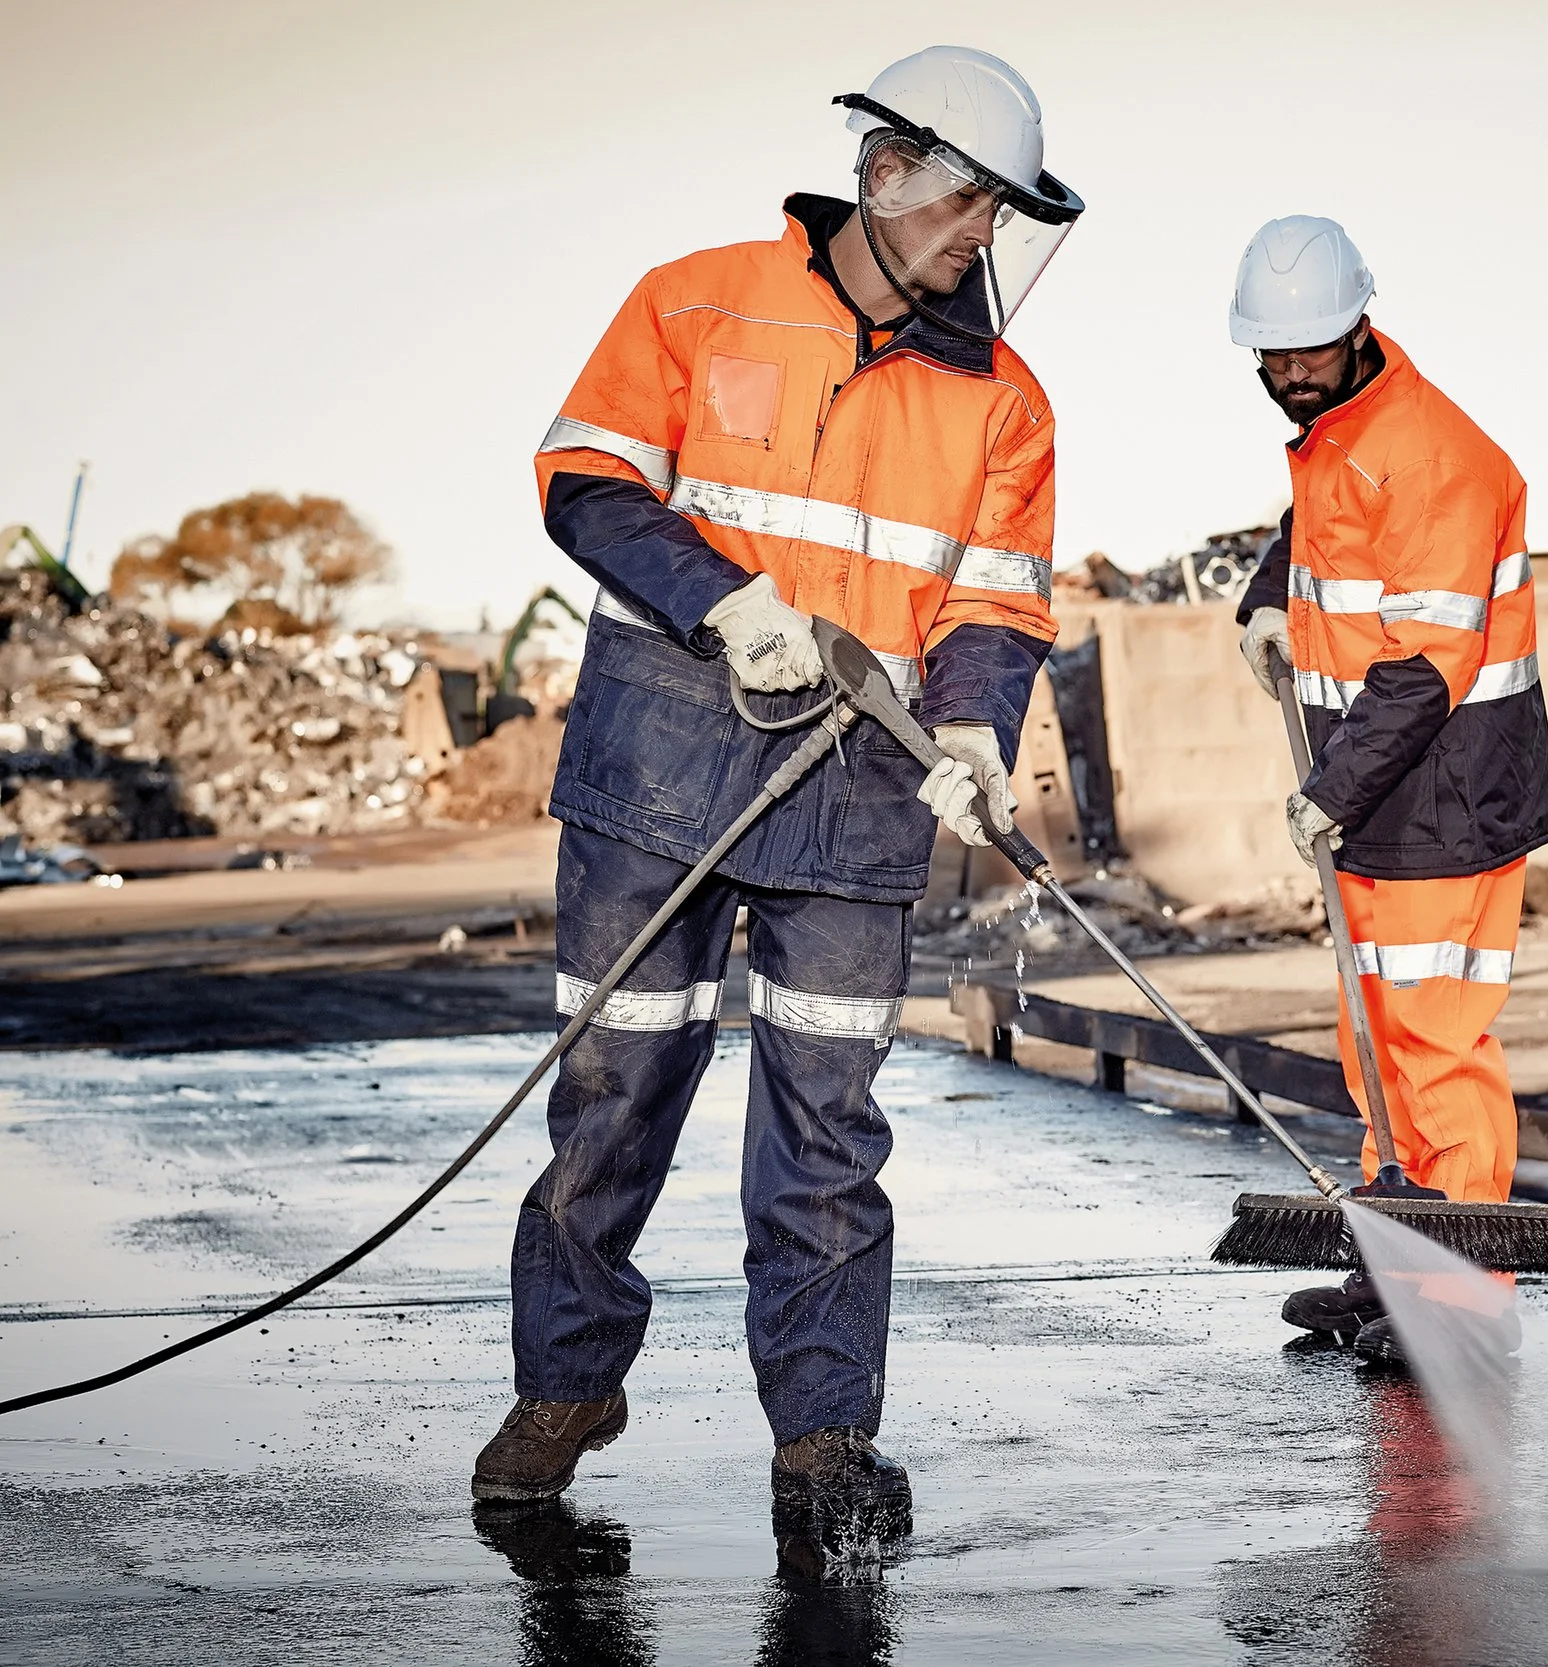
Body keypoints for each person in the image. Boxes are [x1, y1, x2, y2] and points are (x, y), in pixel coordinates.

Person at [468, 46, 1082, 1559]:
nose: (977, 237)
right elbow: (587, 479)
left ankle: (824, 1434)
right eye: (964, 203)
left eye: (1001, 216)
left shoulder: (1006, 401)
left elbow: (996, 602)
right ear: (884, 173)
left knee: (829, 1126)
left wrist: (976, 731)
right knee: (614, 1090)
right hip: (664, 761)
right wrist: (721, 601)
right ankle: (565, 1386)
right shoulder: (697, 296)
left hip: (860, 786)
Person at [1228, 217, 1548, 1365]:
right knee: (1371, 1038)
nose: (1288, 374)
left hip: (1446, 793)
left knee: (1433, 1037)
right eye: (1270, 357)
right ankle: (1394, 1269)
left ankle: (1462, 1309)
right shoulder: (1340, 430)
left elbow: (1427, 663)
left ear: (1360, 325)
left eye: (1307, 351)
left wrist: (1329, 787)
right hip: (1377, 796)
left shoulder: (1435, 454)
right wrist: (1267, 597)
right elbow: (1313, 535)